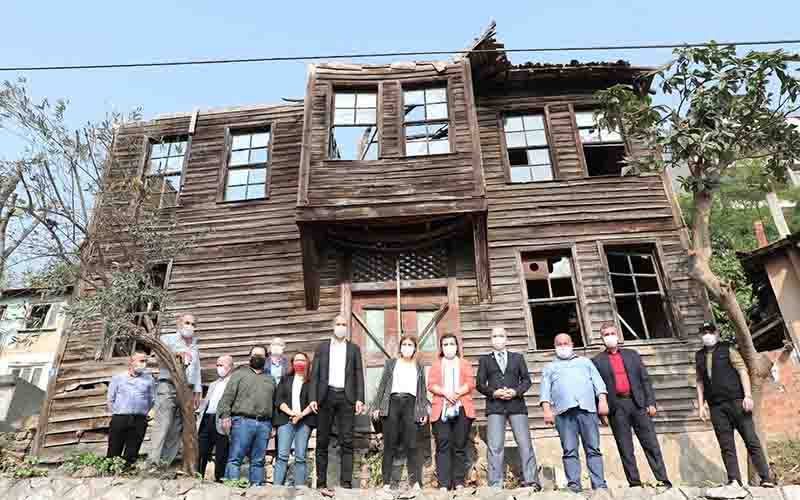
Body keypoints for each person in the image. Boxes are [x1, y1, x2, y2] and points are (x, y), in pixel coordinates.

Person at [695, 322, 775, 487]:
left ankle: (766, 477)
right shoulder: (699, 355)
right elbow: (699, 381)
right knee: (726, 445)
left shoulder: (728, 349)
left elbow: (742, 371)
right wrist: (701, 405)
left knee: (751, 440)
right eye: (704, 332)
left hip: (737, 401)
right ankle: (734, 480)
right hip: (716, 407)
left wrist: (747, 395)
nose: (706, 335)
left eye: (709, 332)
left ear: (717, 333)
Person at [592, 323, 671, 488]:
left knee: (650, 442)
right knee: (625, 446)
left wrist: (650, 402)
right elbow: (595, 388)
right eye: (606, 334)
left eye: (612, 333)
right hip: (616, 407)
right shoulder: (597, 361)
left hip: (638, 404)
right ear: (602, 338)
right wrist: (602, 413)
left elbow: (645, 380)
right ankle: (634, 482)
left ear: (618, 335)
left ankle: (662, 479)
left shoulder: (632, 355)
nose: (610, 337)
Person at [540, 333, 609, 493]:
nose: (563, 346)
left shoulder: (585, 362)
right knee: (569, 450)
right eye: (559, 343)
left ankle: (599, 485)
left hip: (587, 410)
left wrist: (603, 401)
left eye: (566, 343)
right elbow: (545, 392)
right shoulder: (550, 367)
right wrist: (547, 410)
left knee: (593, 448)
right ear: (555, 346)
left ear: (572, 344)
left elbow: (598, 383)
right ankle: (574, 486)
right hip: (564, 414)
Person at [476, 327, 541, 490]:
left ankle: (531, 481)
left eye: (501, 336)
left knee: (525, 443)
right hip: (495, 407)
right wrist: (494, 392)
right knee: (495, 446)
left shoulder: (517, 358)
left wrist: (515, 391)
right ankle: (495, 484)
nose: (498, 339)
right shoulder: (485, 360)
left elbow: (526, 380)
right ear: (491, 339)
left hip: (516, 405)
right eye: (494, 336)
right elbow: (480, 384)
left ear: (507, 339)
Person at [309, 315, 365, 495]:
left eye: (344, 324)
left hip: (346, 397)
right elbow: (315, 375)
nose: (341, 327)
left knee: (347, 441)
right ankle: (321, 483)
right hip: (325, 397)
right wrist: (313, 398)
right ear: (333, 327)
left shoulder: (354, 349)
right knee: (322, 441)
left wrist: (359, 398)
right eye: (338, 324)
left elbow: (359, 375)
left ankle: (346, 484)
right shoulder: (322, 348)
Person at [370, 335, 430, 491]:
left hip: (411, 404)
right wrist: (376, 407)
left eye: (410, 345)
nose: (407, 347)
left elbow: (422, 391)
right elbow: (383, 386)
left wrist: (422, 410)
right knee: (390, 444)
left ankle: (416, 482)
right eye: (404, 344)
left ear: (414, 348)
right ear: (400, 347)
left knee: (412, 444)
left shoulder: (419, 366)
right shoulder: (391, 364)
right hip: (393, 403)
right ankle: (386, 483)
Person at [147, 313, 202, 468]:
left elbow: (196, 370)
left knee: (177, 428)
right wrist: (177, 355)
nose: (190, 326)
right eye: (187, 323)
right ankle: (152, 463)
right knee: (163, 424)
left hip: (187, 389)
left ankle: (164, 465)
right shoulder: (168, 339)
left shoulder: (195, 345)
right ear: (179, 323)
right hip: (169, 385)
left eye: (193, 324)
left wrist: (197, 392)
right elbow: (160, 358)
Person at [217, 345, 276, 486]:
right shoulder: (239, 374)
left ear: (266, 359)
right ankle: (233, 489)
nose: (258, 357)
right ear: (249, 357)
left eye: (261, 355)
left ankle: (257, 489)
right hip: (242, 421)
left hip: (264, 424)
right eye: (255, 355)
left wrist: (274, 424)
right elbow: (227, 397)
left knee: (258, 460)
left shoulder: (270, 378)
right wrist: (225, 415)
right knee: (235, 458)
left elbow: (274, 403)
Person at [427, 333, 475, 491]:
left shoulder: (464, 363)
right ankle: (444, 483)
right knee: (443, 445)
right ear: (441, 348)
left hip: (461, 407)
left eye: (451, 344)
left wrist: (457, 393)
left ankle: (459, 481)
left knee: (459, 445)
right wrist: (445, 393)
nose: (449, 347)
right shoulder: (436, 365)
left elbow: (470, 383)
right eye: (445, 344)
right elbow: (431, 384)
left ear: (457, 346)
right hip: (441, 408)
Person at [273, 351, 317, 487]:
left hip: (304, 421)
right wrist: (292, 413)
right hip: (286, 421)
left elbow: (314, 401)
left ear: (307, 363)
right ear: (292, 363)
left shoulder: (311, 381)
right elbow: (279, 400)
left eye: (302, 360)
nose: (299, 363)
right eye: (296, 360)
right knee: (282, 456)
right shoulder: (285, 379)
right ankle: (277, 487)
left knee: (300, 457)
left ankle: (300, 488)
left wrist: (300, 415)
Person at [107, 351, 155, 466]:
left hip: (139, 419)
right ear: (132, 362)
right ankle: (109, 474)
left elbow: (152, 399)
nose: (144, 364)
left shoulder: (149, 379)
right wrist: (117, 413)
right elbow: (110, 399)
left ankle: (126, 473)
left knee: (132, 452)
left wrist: (142, 412)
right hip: (120, 418)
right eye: (141, 361)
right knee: (114, 449)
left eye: (145, 361)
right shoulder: (118, 378)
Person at [197, 355, 233, 482]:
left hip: (221, 419)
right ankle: (198, 476)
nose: (219, 368)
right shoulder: (213, 384)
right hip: (207, 419)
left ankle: (219, 479)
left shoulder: (233, 383)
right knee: (202, 450)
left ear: (230, 366)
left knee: (221, 452)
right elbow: (207, 402)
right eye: (217, 365)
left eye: (222, 365)